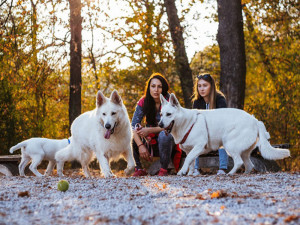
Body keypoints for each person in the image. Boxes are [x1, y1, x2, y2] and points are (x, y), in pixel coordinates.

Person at [131, 73, 175, 176]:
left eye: (159, 87)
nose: (156, 90)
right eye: (153, 86)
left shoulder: (170, 101)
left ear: (163, 88)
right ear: (149, 88)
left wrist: (149, 130)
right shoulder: (143, 102)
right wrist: (141, 145)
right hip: (151, 141)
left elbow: (171, 126)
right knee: (134, 136)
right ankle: (139, 168)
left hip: (170, 143)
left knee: (165, 135)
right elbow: (133, 126)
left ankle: (164, 170)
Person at [192, 73, 228, 175]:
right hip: (203, 135)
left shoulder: (220, 99)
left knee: (223, 137)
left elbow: (223, 120)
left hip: (217, 133)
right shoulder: (197, 102)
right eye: (199, 86)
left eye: (205, 85)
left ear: (211, 87)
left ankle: (222, 168)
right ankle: (195, 168)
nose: (202, 89)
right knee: (194, 138)